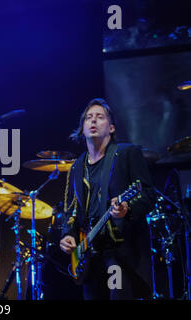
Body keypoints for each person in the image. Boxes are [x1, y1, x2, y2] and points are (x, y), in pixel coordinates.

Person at [59, 98, 154, 300]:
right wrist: (68, 234)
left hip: (118, 250)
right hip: (88, 253)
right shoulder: (77, 167)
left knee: (117, 293)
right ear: (82, 128)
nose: (93, 121)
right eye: (88, 118)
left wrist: (128, 208)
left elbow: (147, 193)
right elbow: (71, 209)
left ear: (111, 128)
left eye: (100, 117)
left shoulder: (127, 153)